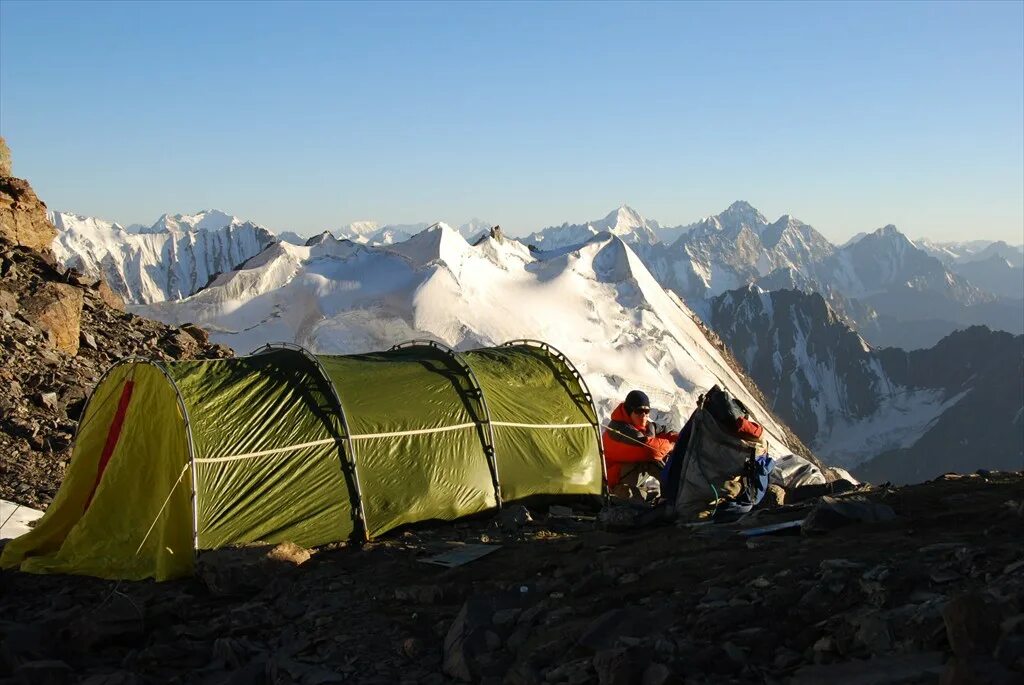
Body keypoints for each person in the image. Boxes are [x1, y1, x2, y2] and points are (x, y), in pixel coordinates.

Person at [602, 390, 678, 501]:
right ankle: (674, 495)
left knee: (664, 456)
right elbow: (651, 450)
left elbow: (667, 433)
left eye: (647, 411)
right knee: (652, 460)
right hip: (612, 482)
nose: (644, 415)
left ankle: (671, 493)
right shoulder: (618, 429)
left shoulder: (645, 426)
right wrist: (672, 446)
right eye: (639, 411)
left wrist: (683, 439)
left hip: (629, 474)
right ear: (629, 411)